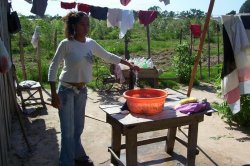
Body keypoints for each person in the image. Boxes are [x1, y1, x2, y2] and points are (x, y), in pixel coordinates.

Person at [48, 11, 139, 166]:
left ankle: (78, 155)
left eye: (87, 24)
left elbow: (108, 56)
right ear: (74, 26)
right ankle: (66, 162)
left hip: (82, 91)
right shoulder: (66, 44)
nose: (86, 27)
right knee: (68, 131)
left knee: (78, 129)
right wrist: (53, 94)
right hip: (66, 91)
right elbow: (53, 67)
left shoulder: (91, 43)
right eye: (82, 24)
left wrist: (129, 64)